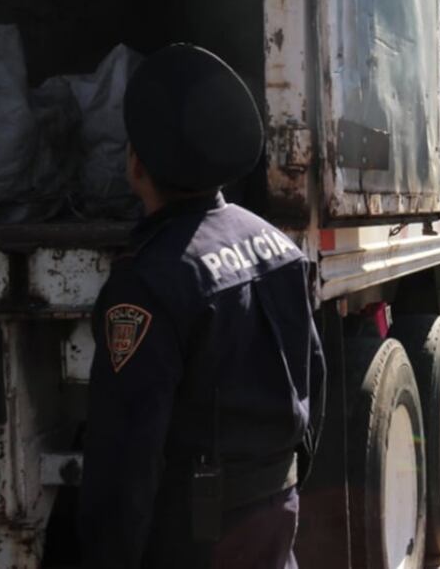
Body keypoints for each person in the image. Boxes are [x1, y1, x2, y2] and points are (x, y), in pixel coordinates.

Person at [79, 44, 325, 568]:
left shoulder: (149, 279)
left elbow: (127, 454)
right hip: (274, 514)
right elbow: (314, 379)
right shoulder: (277, 246)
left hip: (195, 539)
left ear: (136, 164)